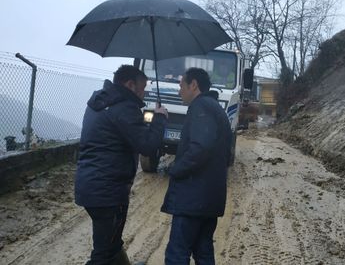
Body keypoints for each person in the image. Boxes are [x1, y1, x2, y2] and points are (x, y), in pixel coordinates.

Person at [75, 65, 168, 265]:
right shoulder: (124, 108)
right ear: (130, 84)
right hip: (108, 192)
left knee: (112, 242)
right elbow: (148, 147)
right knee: (103, 253)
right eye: (142, 88)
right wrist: (160, 118)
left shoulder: (99, 102)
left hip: (90, 185)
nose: (143, 93)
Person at [161, 67, 232, 265]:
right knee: (203, 252)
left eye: (181, 85)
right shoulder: (215, 108)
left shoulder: (201, 107)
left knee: (177, 253)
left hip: (193, 199)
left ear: (194, 85)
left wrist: (176, 169)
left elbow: (201, 147)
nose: (178, 91)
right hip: (208, 198)